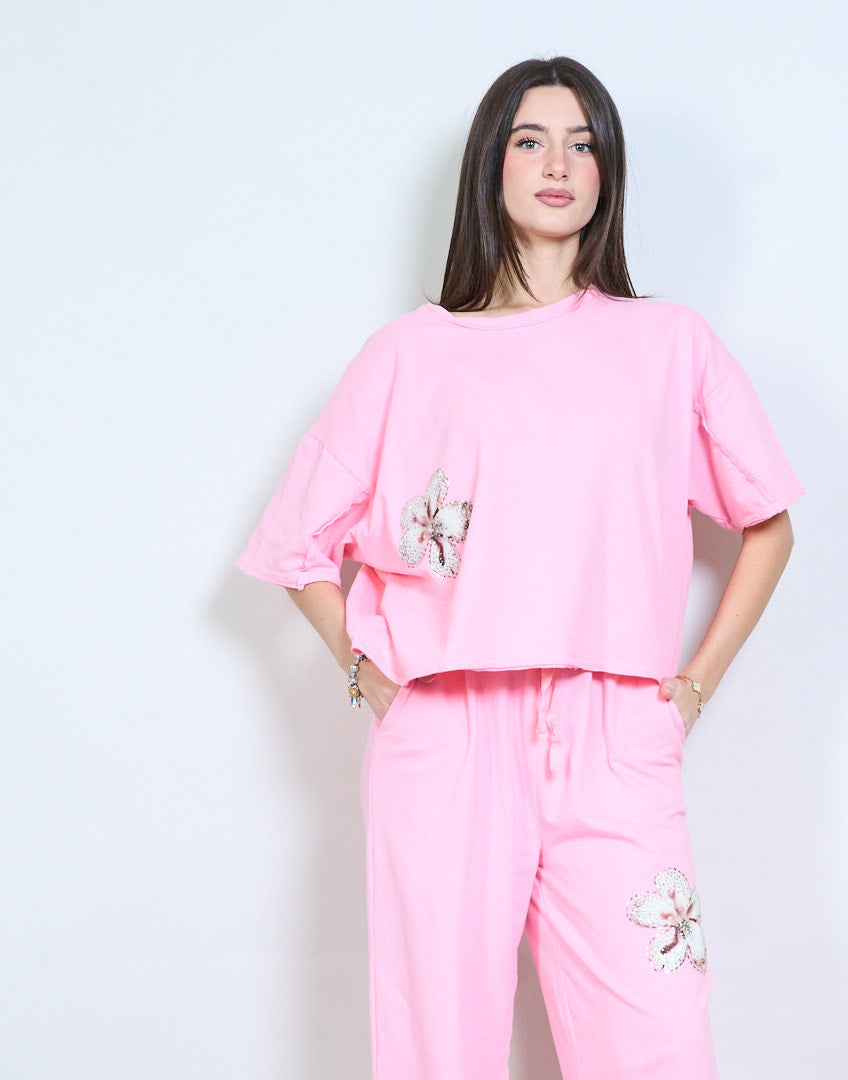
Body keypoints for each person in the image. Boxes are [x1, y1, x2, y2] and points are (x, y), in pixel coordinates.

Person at [237, 55, 802, 1080]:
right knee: (439, 1053)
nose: (558, 164)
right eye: (530, 140)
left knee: (661, 1044)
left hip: (614, 728)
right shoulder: (411, 355)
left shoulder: (669, 345)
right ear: (489, 166)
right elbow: (295, 546)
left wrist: (690, 691)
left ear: (607, 171)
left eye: (583, 144)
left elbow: (770, 525)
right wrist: (369, 676)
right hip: (446, 734)